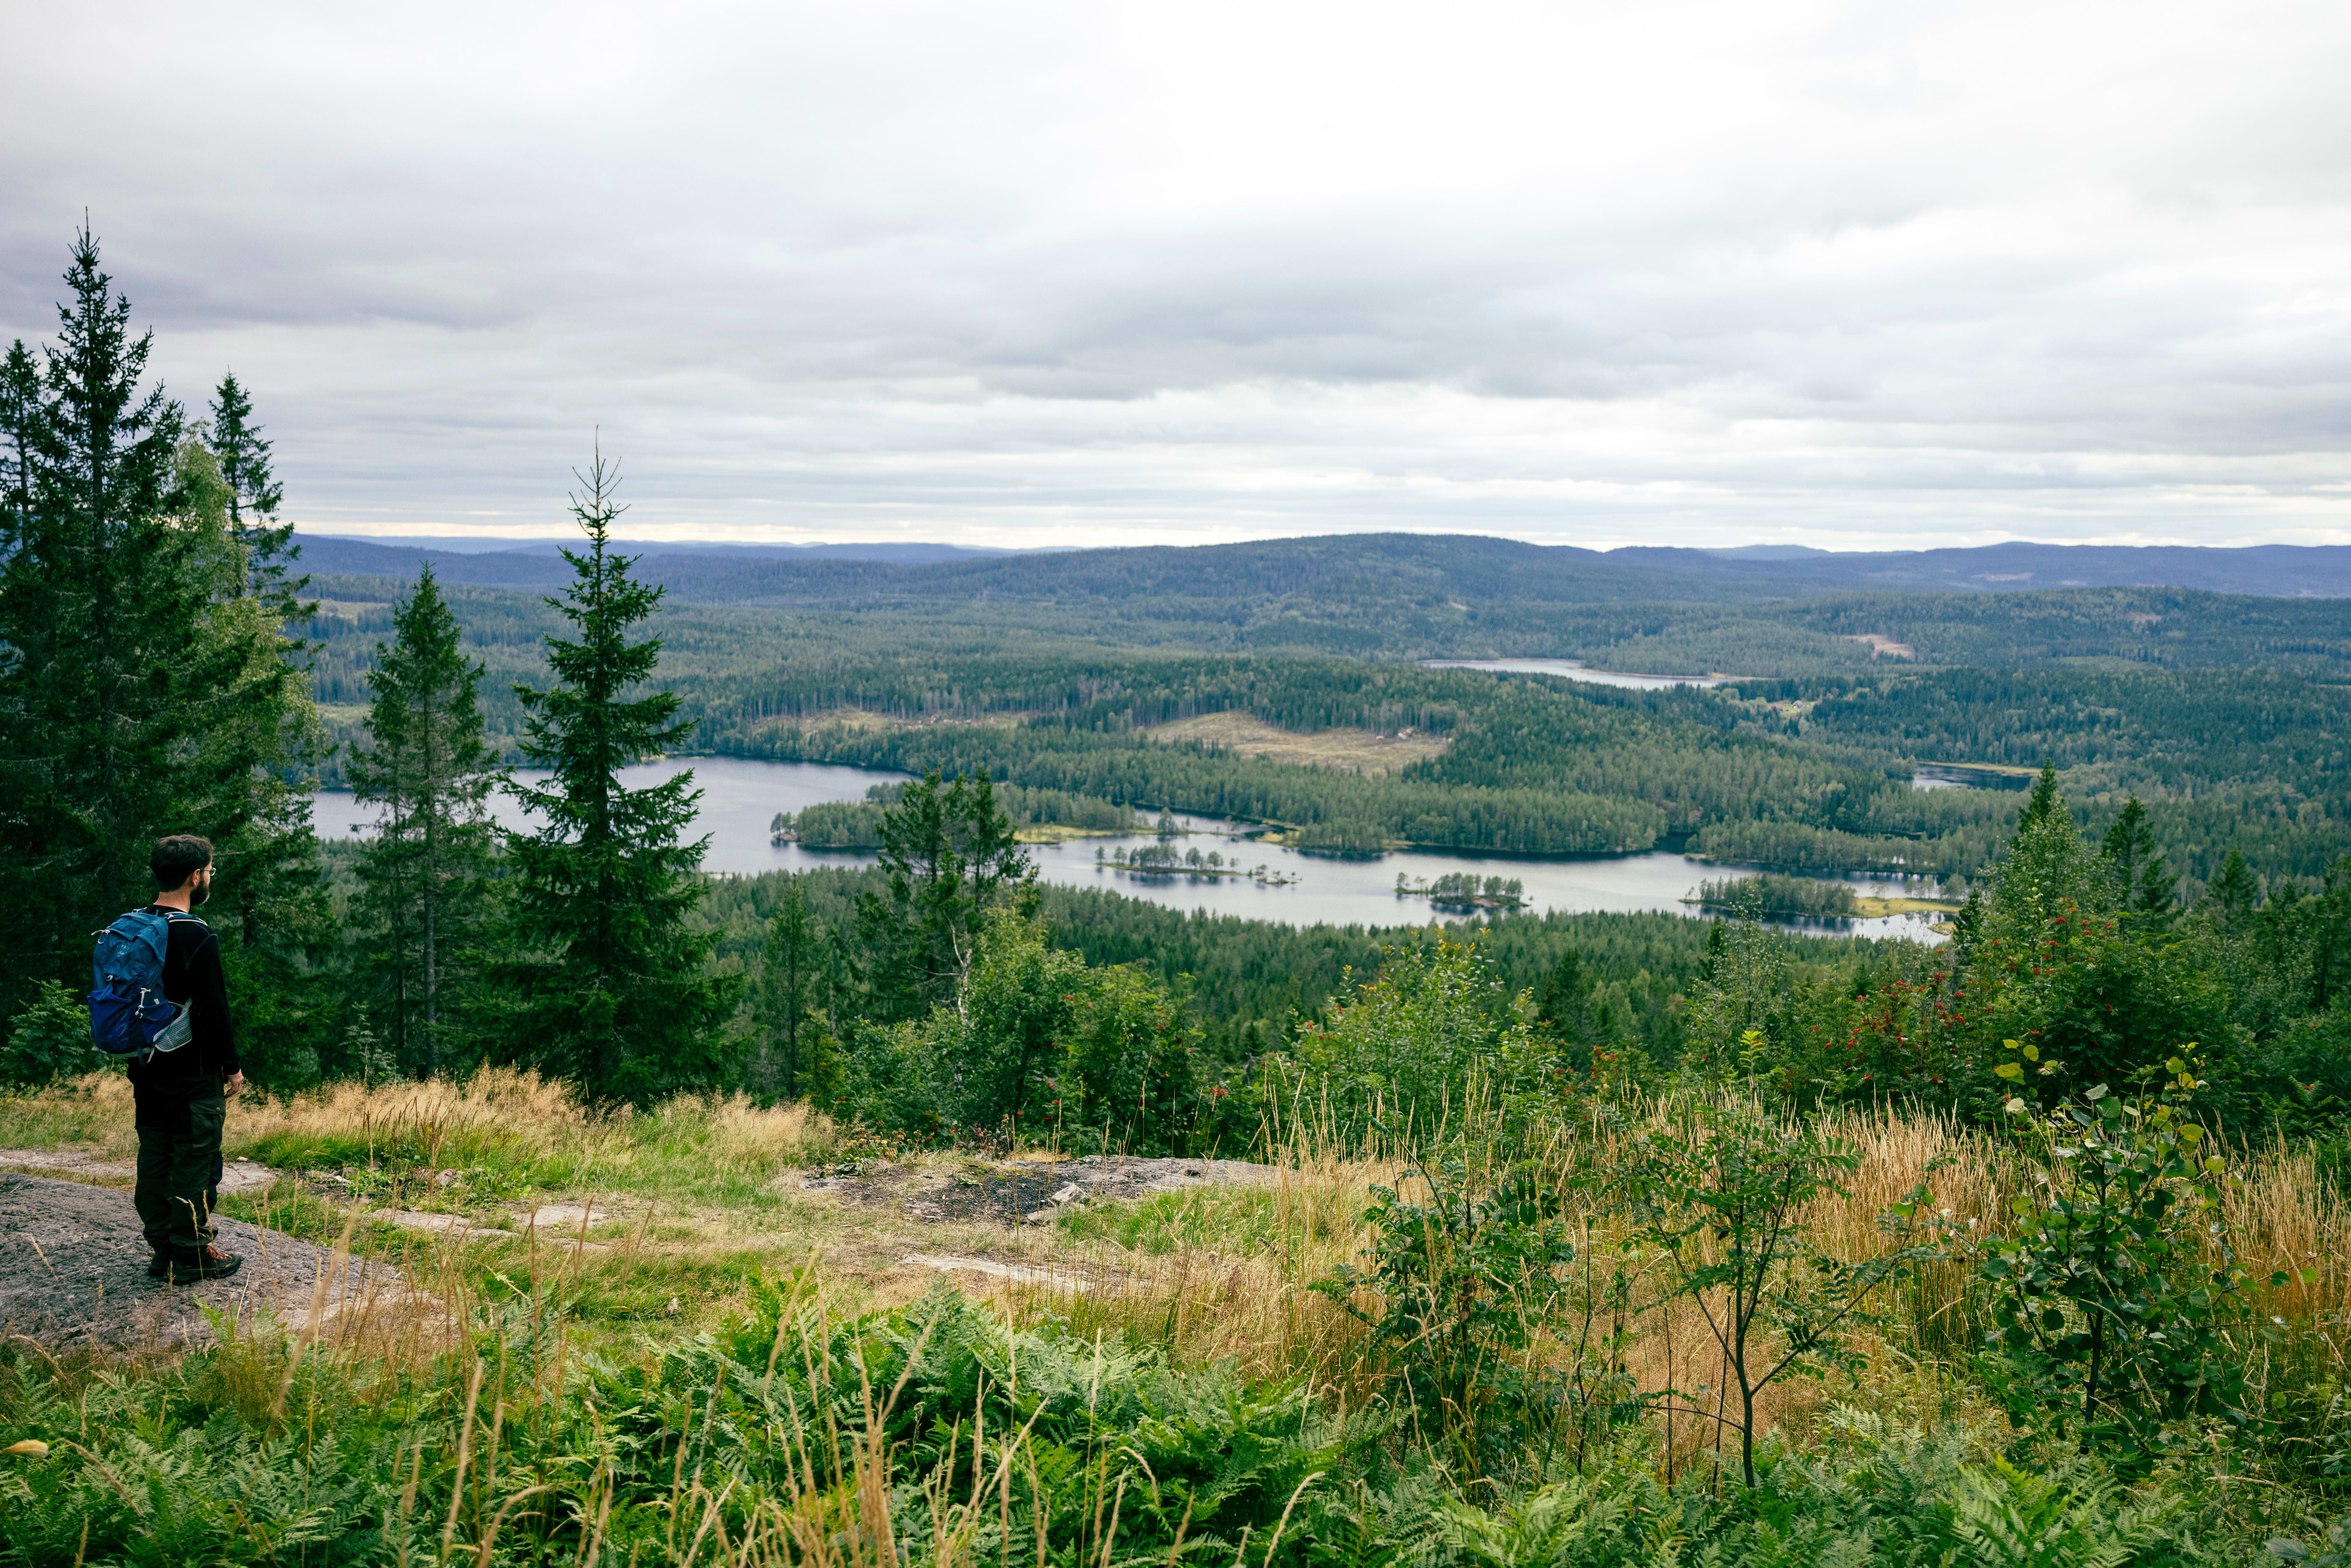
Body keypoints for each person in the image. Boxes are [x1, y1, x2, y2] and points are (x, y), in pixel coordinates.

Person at [131, 835, 245, 1282]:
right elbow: (214, 1009)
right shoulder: (196, 934)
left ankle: (163, 1248)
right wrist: (232, 1067)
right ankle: (193, 1253)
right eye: (210, 871)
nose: (210, 877)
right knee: (196, 1162)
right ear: (195, 876)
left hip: (146, 1070)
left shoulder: (136, 926)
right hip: (194, 1076)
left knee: (155, 1159)